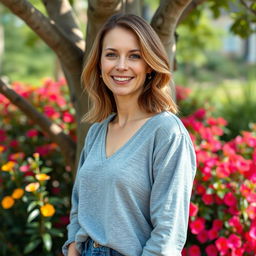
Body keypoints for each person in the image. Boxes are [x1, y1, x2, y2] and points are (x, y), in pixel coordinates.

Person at [62, 13, 196, 256]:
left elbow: (168, 231)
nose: (121, 65)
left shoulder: (166, 133)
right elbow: (79, 205)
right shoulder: (97, 132)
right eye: (111, 54)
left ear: (149, 66)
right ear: (99, 64)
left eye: (134, 56)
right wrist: (73, 245)